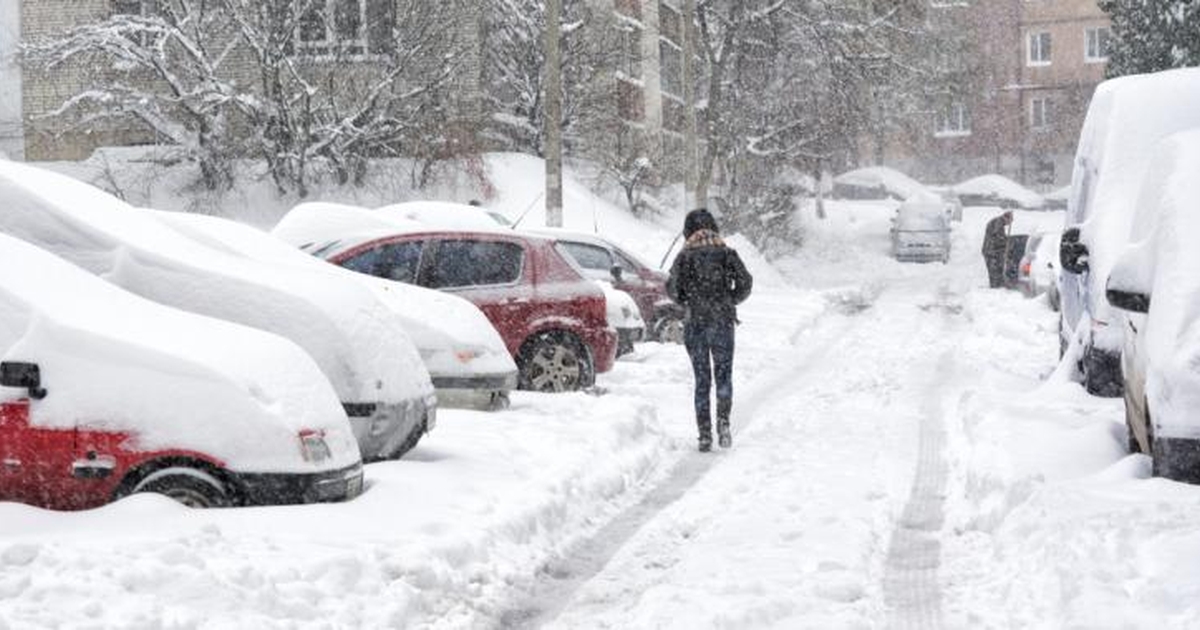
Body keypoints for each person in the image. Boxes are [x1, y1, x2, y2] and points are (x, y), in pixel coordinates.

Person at [667, 209, 753, 452]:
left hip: (696, 324)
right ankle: (723, 424)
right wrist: (730, 300)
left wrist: (688, 301)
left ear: (688, 230)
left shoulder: (684, 256)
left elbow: (672, 289)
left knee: (702, 379)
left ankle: (704, 434)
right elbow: (746, 282)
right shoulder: (726, 253)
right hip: (723, 322)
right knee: (724, 375)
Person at [981, 211, 1013, 288]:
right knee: (994, 271)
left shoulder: (998, 222)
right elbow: (998, 237)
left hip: (992, 251)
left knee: (995, 271)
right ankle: (995, 287)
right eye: (1010, 221)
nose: (1009, 224)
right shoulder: (998, 223)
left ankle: (996, 286)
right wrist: (1006, 242)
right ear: (1007, 218)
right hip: (990, 251)